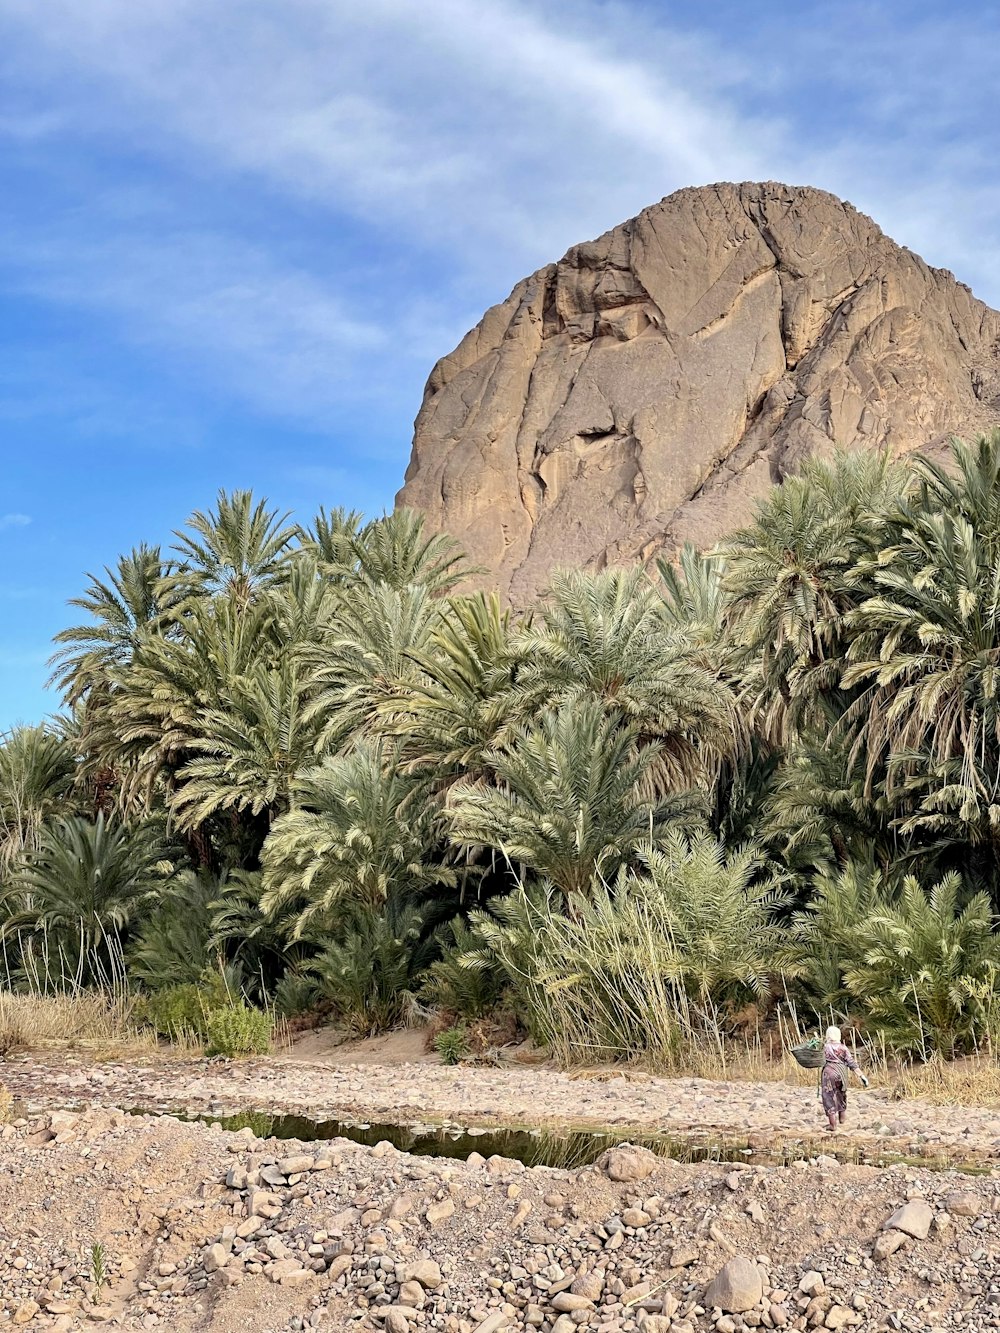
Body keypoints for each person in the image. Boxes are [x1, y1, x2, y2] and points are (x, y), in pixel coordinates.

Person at [821, 1025, 868, 1132]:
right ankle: (842, 1118)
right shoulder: (843, 1047)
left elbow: (819, 1059)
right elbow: (851, 1063)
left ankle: (833, 1124)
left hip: (829, 1072)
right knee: (841, 1093)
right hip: (842, 1073)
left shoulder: (825, 1047)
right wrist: (861, 1076)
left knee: (828, 1096)